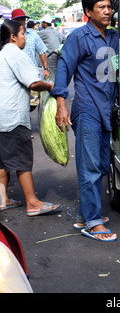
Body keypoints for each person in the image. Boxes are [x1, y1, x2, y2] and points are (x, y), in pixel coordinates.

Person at [51, 0, 120, 242]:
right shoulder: (78, 38)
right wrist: (61, 101)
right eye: (101, 7)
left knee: (102, 165)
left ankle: (85, 214)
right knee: (91, 167)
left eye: (109, 7)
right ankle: (93, 223)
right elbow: (64, 68)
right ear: (88, 12)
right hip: (88, 109)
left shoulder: (114, 37)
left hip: (107, 110)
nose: (107, 11)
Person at [0, 19, 60, 216]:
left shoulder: (3, 53)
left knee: (4, 160)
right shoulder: (15, 53)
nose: (25, 37)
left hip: (3, 115)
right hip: (13, 116)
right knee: (22, 160)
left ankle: (3, 199)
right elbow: (34, 83)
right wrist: (51, 86)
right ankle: (32, 203)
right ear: (13, 36)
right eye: (23, 34)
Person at [11, 9, 49, 78]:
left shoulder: (33, 35)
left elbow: (42, 51)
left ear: (25, 20)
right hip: (14, 74)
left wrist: (45, 69)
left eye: (22, 19)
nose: (20, 22)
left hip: (32, 73)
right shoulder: (9, 36)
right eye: (17, 20)